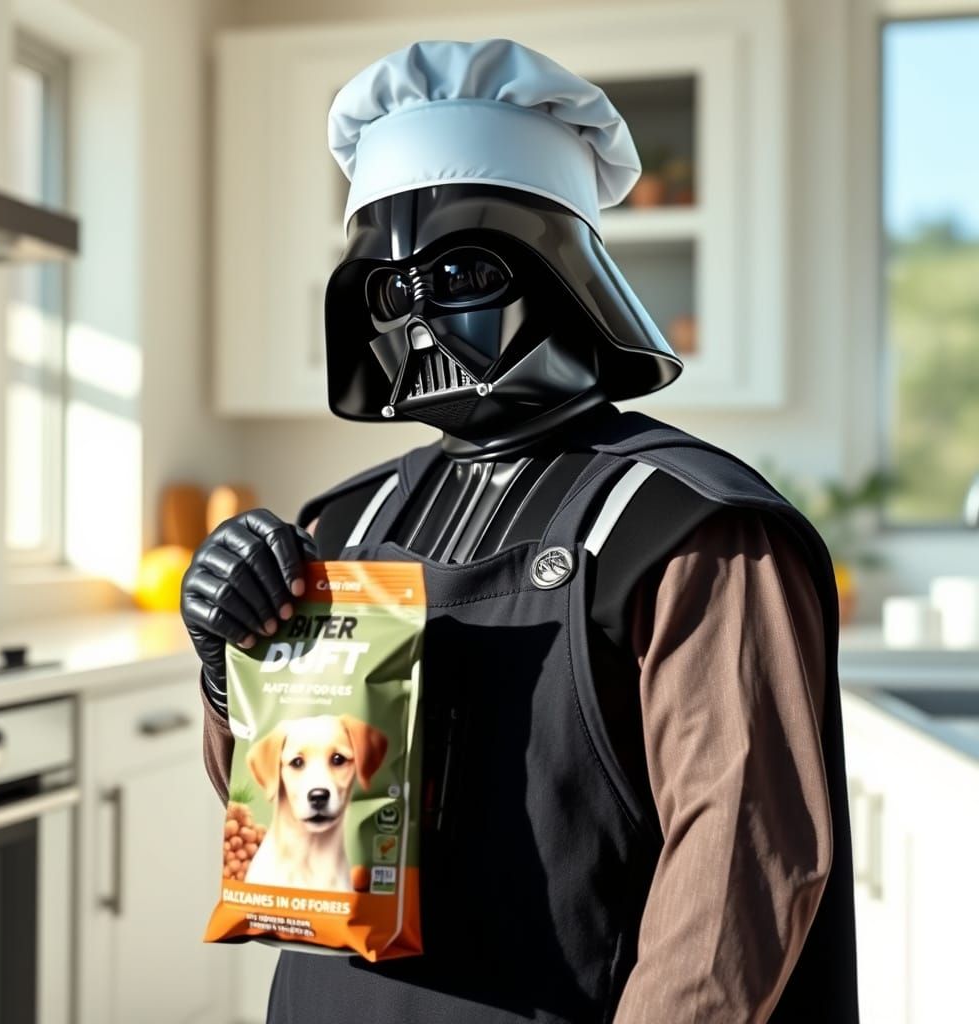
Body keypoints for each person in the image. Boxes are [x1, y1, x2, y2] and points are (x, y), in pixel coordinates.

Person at [183, 38, 859, 1023]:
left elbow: (740, 872)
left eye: (460, 270)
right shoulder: (345, 520)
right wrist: (226, 669)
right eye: (389, 290)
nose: (418, 325)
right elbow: (289, 817)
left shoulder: (689, 531)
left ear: (562, 272)